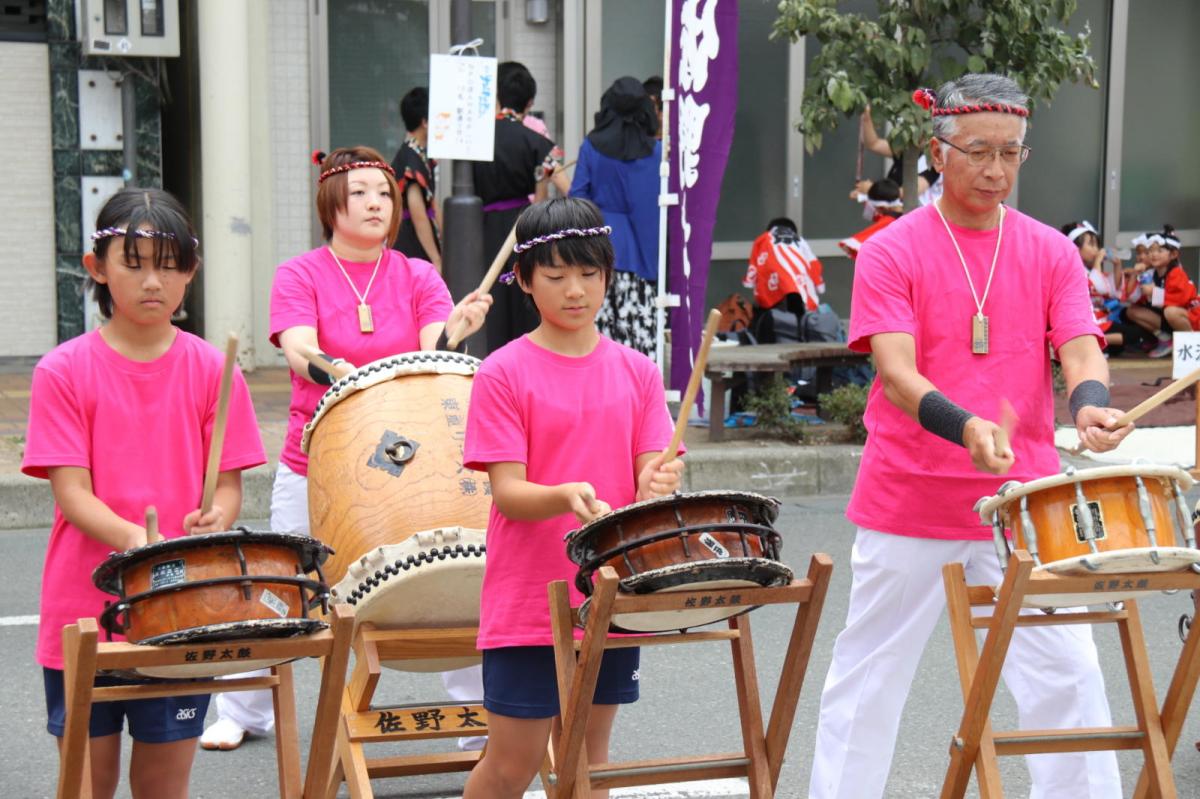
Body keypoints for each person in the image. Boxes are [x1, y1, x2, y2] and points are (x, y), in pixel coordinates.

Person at [809, 74, 1133, 799]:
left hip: (1025, 500)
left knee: (1069, 675)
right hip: (910, 497)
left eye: (1011, 154)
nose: (995, 170)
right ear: (937, 149)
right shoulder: (893, 251)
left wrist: (1087, 405)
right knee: (869, 678)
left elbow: (1081, 347)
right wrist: (966, 426)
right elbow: (896, 372)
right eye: (979, 151)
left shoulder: (1050, 250)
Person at [200, 146, 494, 751]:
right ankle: (241, 709)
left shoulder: (416, 274)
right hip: (318, 458)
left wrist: (456, 329)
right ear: (332, 203)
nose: (375, 204)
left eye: (384, 194)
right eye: (360, 192)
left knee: (450, 569)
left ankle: (477, 716)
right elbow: (298, 348)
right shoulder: (301, 273)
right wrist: (339, 373)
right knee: (282, 582)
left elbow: (430, 348)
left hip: (407, 463)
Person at [22, 188, 267, 799]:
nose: (152, 281)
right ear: (97, 268)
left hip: (181, 612)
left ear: (190, 271)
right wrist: (139, 542)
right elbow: (72, 493)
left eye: (168, 263)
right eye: (133, 263)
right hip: (84, 611)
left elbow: (229, 489)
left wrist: (217, 517)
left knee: (163, 784)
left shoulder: (216, 369)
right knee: (87, 782)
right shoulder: (63, 370)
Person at [460, 198, 684, 798]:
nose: (575, 290)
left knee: (589, 757)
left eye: (589, 274)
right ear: (526, 281)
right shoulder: (502, 372)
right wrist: (563, 495)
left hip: (608, 593)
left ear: (607, 276)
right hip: (529, 599)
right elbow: (507, 493)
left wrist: (658, 482)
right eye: (556, 277)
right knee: (513, 762)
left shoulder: (638, 372)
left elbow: (652, 473)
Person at [474, 61, 571, 355]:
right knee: (524, 301)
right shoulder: (538, 143)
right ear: (529, 102)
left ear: (498, 97)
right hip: (524, 230)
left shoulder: (474, 139)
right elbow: (568, 190)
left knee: (488, 305)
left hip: (481, 230)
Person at [569, 76, 662, 356]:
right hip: (643, 253)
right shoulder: (657, 153)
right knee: (639, 334)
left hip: (598, 251)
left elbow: (578, 197)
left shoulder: (592, 147)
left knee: (599, 334)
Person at [1061, 220, 1146, 356]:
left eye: (1097, 245)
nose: (1096, 249)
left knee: (1133, 338)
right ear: (1075, 248)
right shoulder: (1072, 270)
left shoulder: (1091, 270)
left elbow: (1113, 290)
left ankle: (1098, 343)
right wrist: (1098, 262)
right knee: (1134, 335)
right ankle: (1094, 341)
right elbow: (1096, 287)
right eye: (1091, 245)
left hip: (1101, 320)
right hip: (1086, 322)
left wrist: (1117, 265)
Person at [390, 87, 441, 268]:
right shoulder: (411, 158)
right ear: (425, 122)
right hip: (411, 242)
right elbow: (418, 213)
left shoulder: (415, 154)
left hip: (412, 239)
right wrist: (435, 258)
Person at [839, 178, 903, 260]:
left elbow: (858, 246)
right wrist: (861, 196)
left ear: (882, 207)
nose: (876, 211)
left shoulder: (890, 221)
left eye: (876, 208)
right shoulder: (909, 214)